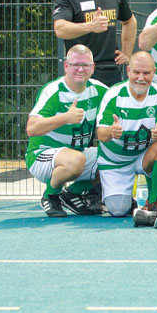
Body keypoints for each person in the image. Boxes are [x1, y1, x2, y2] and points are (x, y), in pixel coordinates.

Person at [26, 45, 107, 217]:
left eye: (85, 65)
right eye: (75, 64)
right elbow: (31, 128)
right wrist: (65, 118)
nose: (80, 69)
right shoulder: (53, 91)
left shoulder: (99, 90)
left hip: (77, 154)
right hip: (42, 155)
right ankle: (51, 195)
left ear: (92, 68)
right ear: (66, 66)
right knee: (76, 159)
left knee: (114, 156)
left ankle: (72, 194)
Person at [95, 52, 157, 216]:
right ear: (129, 71)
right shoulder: (113, 95)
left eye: (146, 73)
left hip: (142, 155)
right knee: (118, 210)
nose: (141, 78)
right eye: (136, 72)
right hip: (115, 160)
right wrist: (111, 131)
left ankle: (153, 202)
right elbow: (101, 135)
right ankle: (121, 194)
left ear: (154, 72)